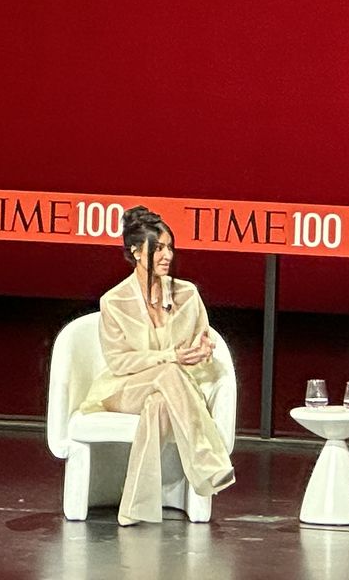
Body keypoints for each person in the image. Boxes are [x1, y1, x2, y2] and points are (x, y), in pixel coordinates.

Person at [78, 206, 236, 525]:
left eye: (170, 247)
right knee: (166, 373)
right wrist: (171, 357)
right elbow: (120, 362)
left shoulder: (187, 294)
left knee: (160, 402)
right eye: (159, 248)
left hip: (175, 389)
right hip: (125, 388)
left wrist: (202, 350)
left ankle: (134, 507)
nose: (168, 255)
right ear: (137, 251)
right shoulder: (114, 301)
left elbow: (200, 344)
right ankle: (210, 462)